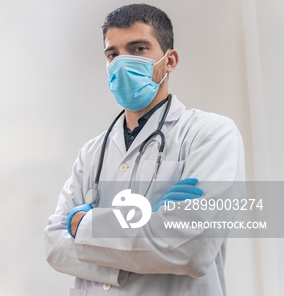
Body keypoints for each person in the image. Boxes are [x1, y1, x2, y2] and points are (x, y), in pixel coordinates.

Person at [44, 4, 245, 295]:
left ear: (170, 60)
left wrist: (84, 225)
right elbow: (54, 245)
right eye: (113, 54)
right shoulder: (92, 153)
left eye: (138, 49)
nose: (121, 63)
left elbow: (192, 247)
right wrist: (149, 224)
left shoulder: (210, 134)